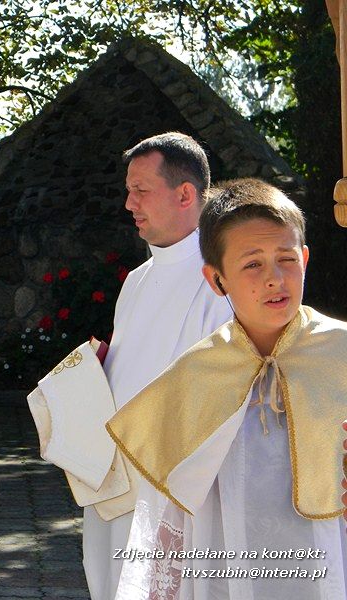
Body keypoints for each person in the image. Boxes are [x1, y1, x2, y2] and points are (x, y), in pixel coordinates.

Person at [108, 178, 347, 599]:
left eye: (286, 259)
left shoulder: (341, 353)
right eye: (252, 265)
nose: (274, 278)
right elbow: (170, 511)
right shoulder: (198, 373)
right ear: (217, 279)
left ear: (305, 259)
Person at [75, 132, 232, 599]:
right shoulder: (137, 281)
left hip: (175, 488)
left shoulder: (221, 280)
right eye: (129, 191)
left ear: (185, 194)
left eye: (140, 190)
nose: (129, 203)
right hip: (117, 479)